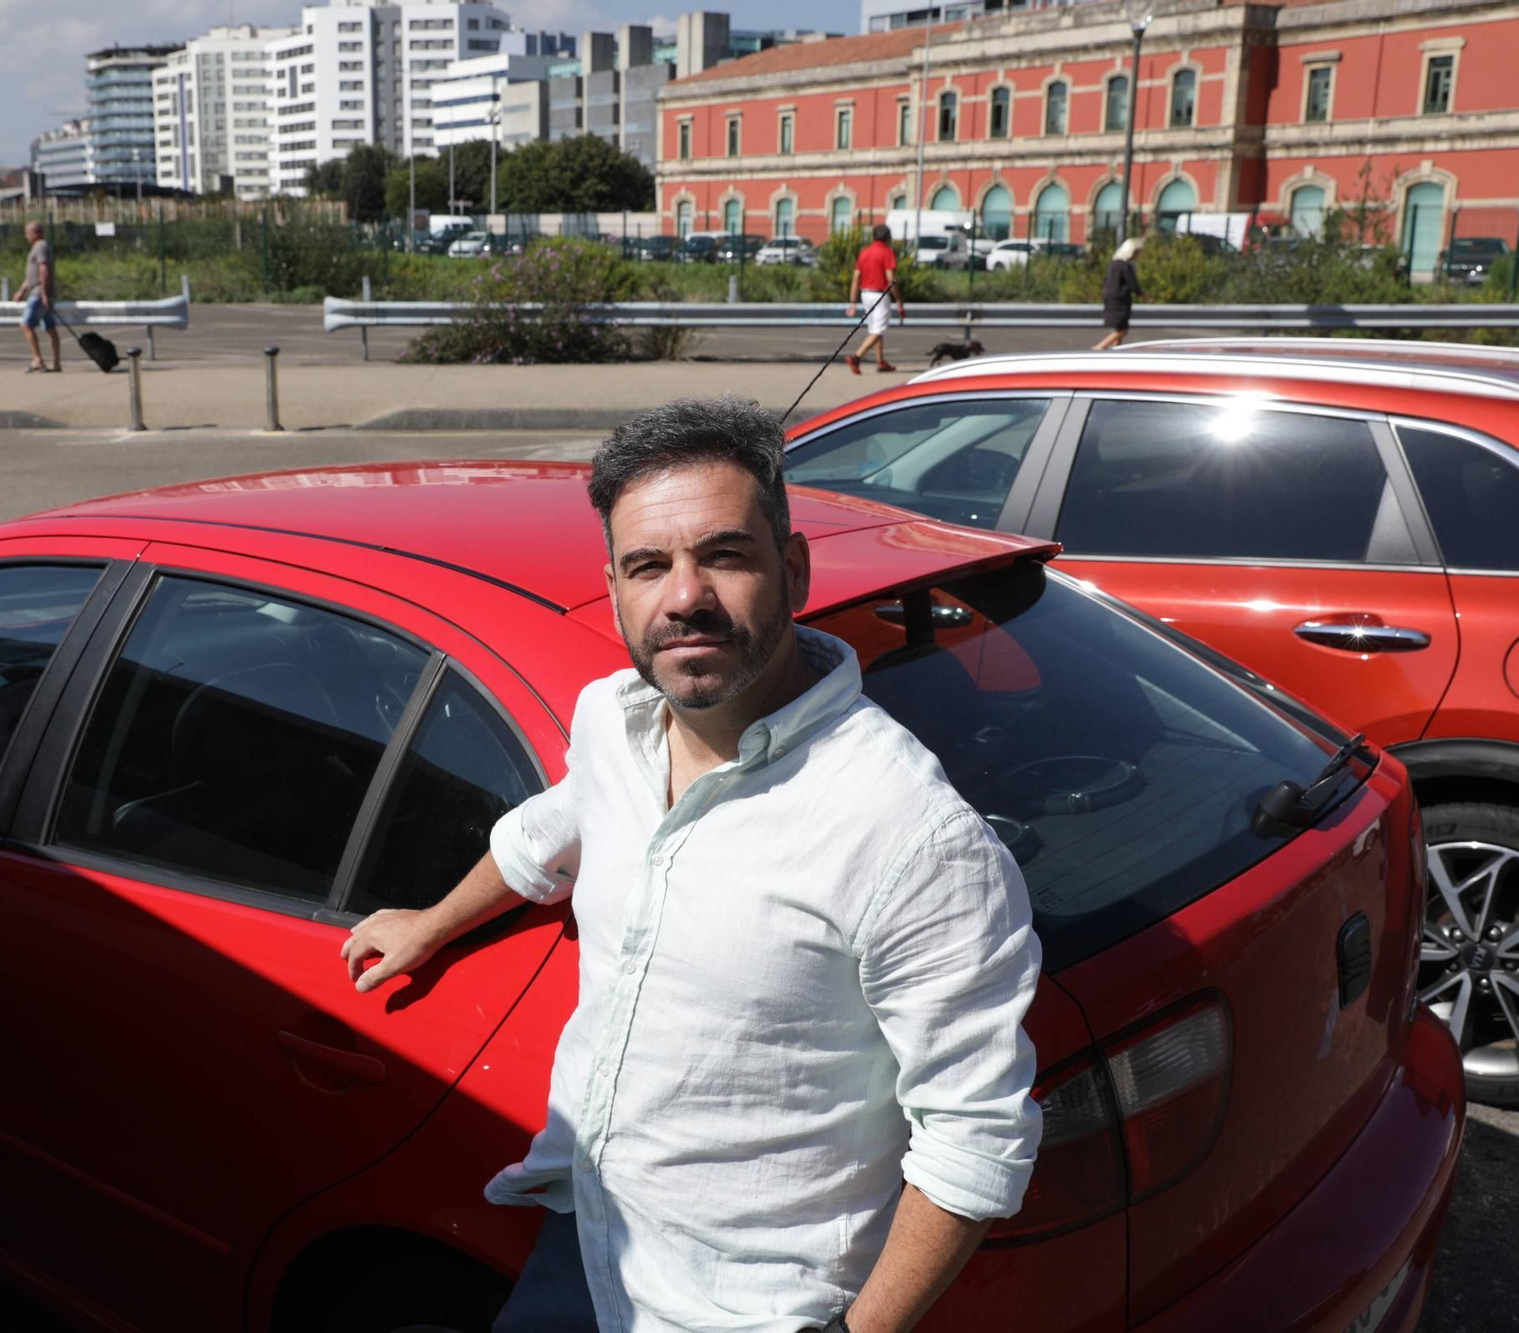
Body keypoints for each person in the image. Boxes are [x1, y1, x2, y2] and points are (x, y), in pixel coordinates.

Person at [340, 397, 1043, 1333]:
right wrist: (430, 923)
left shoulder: (908, 833)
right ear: (616, 585)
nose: (684, 597)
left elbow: (975, 1142)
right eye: (648, 566)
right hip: (584, 1237)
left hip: (743, 1304)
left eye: (724, 554)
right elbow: (559, 821)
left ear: (791, 568)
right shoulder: (613, 722)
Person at [846, 224, 906, 374]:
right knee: (879, 330)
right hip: (880, 294)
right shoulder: (887, 252)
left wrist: (852, 302)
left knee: (874, 328)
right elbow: (890, 278)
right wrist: (899, 300)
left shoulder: (864, 252)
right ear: (887, 238)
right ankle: (856, 356)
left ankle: (881, 362)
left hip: (865, 294)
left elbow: (856, 278)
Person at [12, 221, 62, 373]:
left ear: (35, 233)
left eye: (27, 233)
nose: (26, 236)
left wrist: (44, 293)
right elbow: (32, 274)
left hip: (39, 293)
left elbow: (43, 269)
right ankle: (56, 362)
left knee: (26, 325)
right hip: (39, 291)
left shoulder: (40, 246)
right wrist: (22, 291)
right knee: (50, 328)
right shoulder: (39, 247)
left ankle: (37, 359)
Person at [1094, 237, 1144, 350]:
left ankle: (1116, 349)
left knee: (1119, 327)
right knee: (1122, 330)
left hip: (1110, 296)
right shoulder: (1126, 266)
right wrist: (1142, 295)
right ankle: (1100, 346)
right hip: (1120, 299)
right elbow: (1133, 284)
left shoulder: (1113, 264)